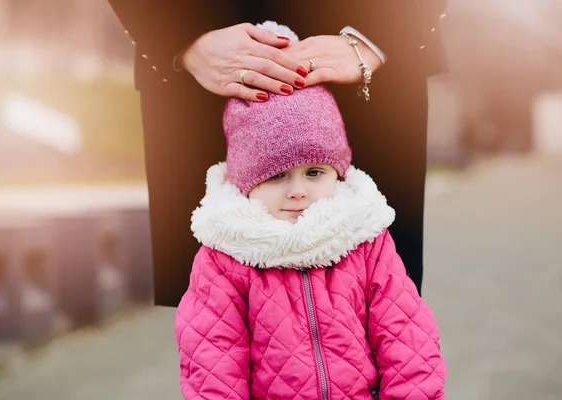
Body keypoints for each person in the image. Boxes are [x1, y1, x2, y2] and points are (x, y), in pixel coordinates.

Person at [107, 1, 448, 306]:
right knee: (219, 312)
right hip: (206, 71)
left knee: (380, 298)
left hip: (361, 68)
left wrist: (383, 34)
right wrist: (179, 37)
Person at [175, 83, 446, 399]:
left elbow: (406, 337)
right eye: (277, 175)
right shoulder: (225, 256)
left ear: (337, 174)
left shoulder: (365, 241)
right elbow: (213, 356)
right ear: (247, 183)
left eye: (314, 172)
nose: (298, 190)